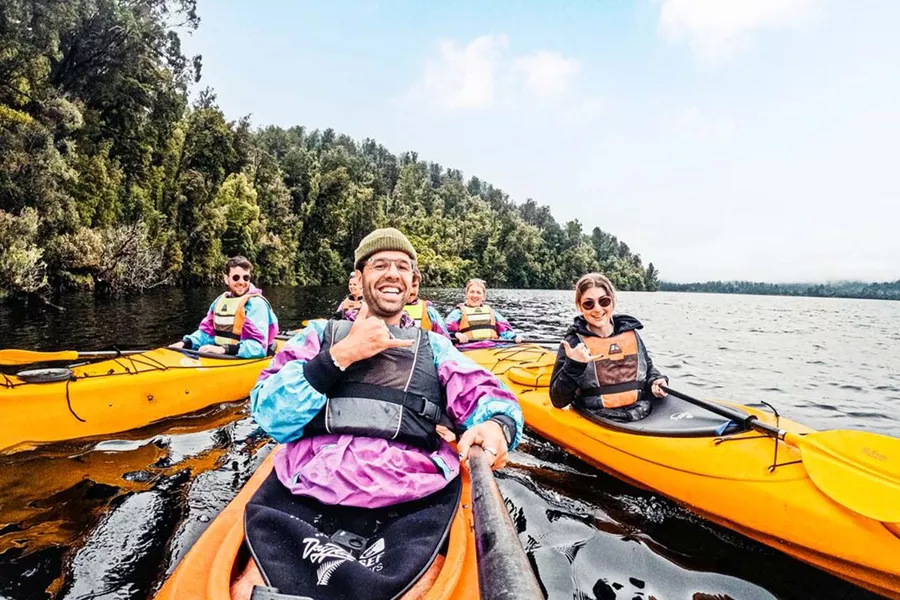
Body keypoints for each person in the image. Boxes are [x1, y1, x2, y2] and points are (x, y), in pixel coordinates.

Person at [232, 228, 523, 600]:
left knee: (420, 590)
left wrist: (498, 424)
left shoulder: (434, 347)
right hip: (308, 487)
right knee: (246, 590)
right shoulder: (319, 336)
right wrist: (339, 356)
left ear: (413, 283)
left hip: (410, 496)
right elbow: (269, 413)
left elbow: (483, 392)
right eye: (380, 265)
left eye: (402, 267)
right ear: (359, 277)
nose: (392, 274)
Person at [549, 273, 668, 422]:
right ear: (580, 306)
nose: (597, 309)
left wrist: (656, 379)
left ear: (612, 301)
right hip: (597, 417)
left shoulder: (630, 332)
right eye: (588, 304)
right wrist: (574, 365)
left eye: (604, 301)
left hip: (640, 411)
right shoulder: (574, 343)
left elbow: (648, 368)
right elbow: (558, 400)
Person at [170, 256, 279, 358]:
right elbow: (206, 333)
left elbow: (257, 347)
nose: (241, 282)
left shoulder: (256, 304)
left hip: (242, 357)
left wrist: (224, 349)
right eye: (236, 277)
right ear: (226, 279)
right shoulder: (219, 301)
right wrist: (185, 343)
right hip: (224, 354)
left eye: (246, 278)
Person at [444, 278, 522, 345]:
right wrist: (455, 335)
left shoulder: (492, 313)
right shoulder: (457, 313)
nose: (475, 295)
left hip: (492, 347)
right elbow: (444, 333)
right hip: (467, 348)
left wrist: (514, 337)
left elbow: (505, 331)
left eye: (478, 293)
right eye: (472, 292)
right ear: (466, 294)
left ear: (483, 297)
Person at [403, 267, 451, 339]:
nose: (411, 291)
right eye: (407, 286)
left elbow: (444, 337)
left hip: (423, 345)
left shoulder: (429, 310)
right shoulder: (388, 309)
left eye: (414, 286)